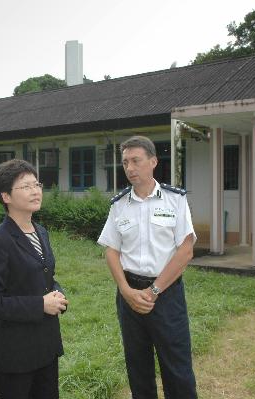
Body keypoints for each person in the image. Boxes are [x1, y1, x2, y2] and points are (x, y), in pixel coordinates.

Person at [97, 135, 198, 399]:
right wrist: (126, 291)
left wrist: (153, 291)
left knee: (176, 366)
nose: (130, 168)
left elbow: (185, 251)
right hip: (129, 295)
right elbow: (111, 250)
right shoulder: (119, 205)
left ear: (153, 162)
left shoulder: (175, 200)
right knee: (137, 365)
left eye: (136, 161)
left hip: (165, 294)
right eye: (125, 162)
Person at [0, 159, 68, 399]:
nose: (35, 191)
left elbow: (44, 275)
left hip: (46, 346)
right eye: (26, 186)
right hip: (15, 354)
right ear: (6, 196)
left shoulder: (41, 232)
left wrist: (57, 292)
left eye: (36, 184)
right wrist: (41, 304)